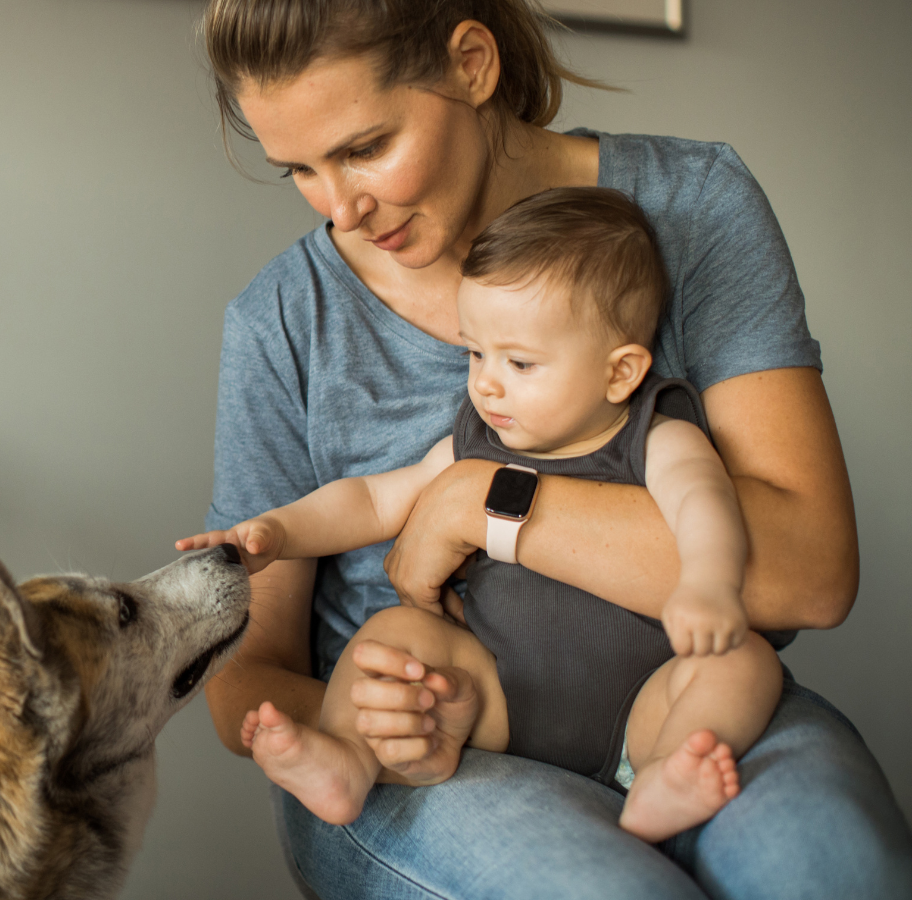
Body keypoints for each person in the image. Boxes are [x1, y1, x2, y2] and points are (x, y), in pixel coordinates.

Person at [196, 1, 912, 897]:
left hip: (671, 701)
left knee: (832, 871)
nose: (341, 208)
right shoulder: (282, 320)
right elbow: (243, 683)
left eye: (365, 147)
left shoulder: (691, 208)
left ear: (472, 63)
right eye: (298, 168)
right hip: (444, 740)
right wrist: (378, 718)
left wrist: (485, 504)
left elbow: (809, 571)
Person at [180, 186, 783, 844]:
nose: (487, 383)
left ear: (620, 373)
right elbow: (375, 498)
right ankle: (352, 758)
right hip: (498, 695)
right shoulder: (477, 439)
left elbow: (705, 502)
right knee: (393, 634)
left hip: (645, 703)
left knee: (745, 663)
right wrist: (279, 531)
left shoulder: (656, 434)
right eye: (476, 353)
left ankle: (666, 774)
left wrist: (709, 584)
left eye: (520, 362)